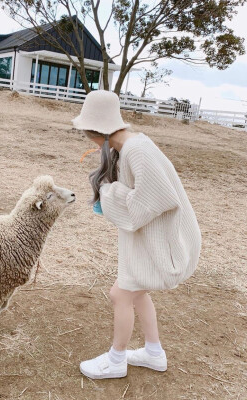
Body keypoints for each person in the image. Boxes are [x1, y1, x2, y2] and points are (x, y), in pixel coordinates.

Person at [72, 90, 201, 379]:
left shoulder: (135, 150)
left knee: (120, 294)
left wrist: (108, 192)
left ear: (96, 131)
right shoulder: (130, 146)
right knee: (136, 293)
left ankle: (117, 359)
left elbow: (156, 198)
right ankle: (153, 353)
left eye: (86, 133)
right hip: (150, 241)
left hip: (165, 242)